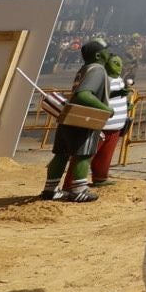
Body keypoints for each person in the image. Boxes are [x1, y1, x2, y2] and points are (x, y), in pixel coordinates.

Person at [42, 38, 114, 202]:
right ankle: (78, 190)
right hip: (83, 119)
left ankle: (50, 189)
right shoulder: (97, 70)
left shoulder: (85, 69)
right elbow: (84, 94)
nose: (109, 52)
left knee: (61, 154)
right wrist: (105, 109)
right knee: (84, 155)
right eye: (106, 50)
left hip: (68, 116)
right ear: (98, 55)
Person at [67, 51, 133, 191]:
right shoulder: (102, 79)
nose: (119, 66)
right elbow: (99, 95)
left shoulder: (120, 80)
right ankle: (72, 183)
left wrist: (126, 104)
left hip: (116, 127)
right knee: (86, 155)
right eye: (115, 63)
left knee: (106, 155)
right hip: (101, 125)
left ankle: (100, 177)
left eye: (121, 64)